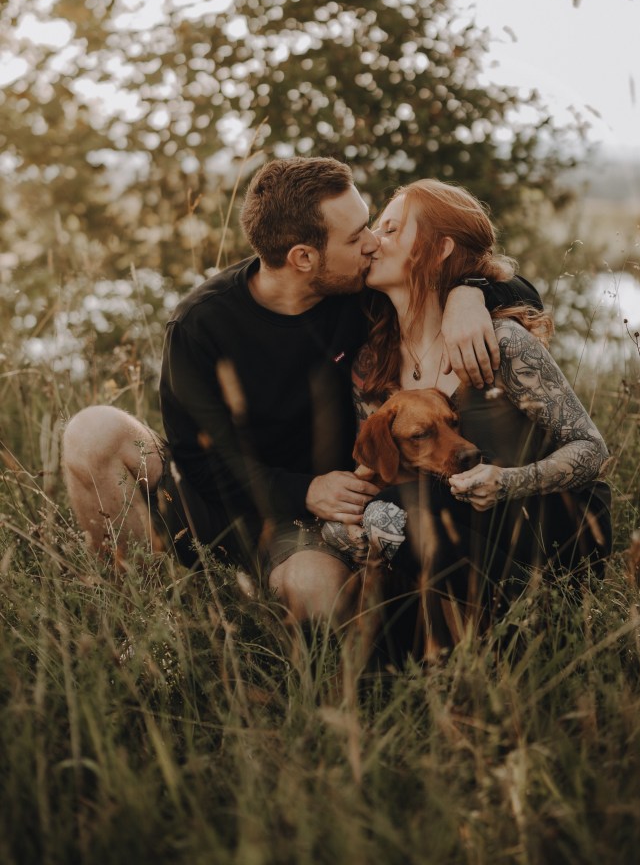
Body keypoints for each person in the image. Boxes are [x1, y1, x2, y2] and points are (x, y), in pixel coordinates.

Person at [62, 157, 542, 630]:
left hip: (317, 525)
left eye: (370, 226)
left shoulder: (362, 292)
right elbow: (198, 462)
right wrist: (304, 489)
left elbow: (517, 291)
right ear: (303, 258)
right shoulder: (200, 325)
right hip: (221, 505)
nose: (374, 243)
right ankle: (142, 623)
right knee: (92, 432)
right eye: (357, 237)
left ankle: (247, 605)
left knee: (321, 598)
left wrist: (469, 294)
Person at [347, 178, 611, 648]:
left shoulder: (502, 343)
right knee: (389, 514)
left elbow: (592, 450)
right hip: (456, 529)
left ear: (439, 248)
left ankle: (527, 635)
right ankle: (455, 656)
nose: (372, 241)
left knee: (401, 515)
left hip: (545, 524)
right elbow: (382, 468)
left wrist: (509, 482)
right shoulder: (373, 361)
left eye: (390, 230)